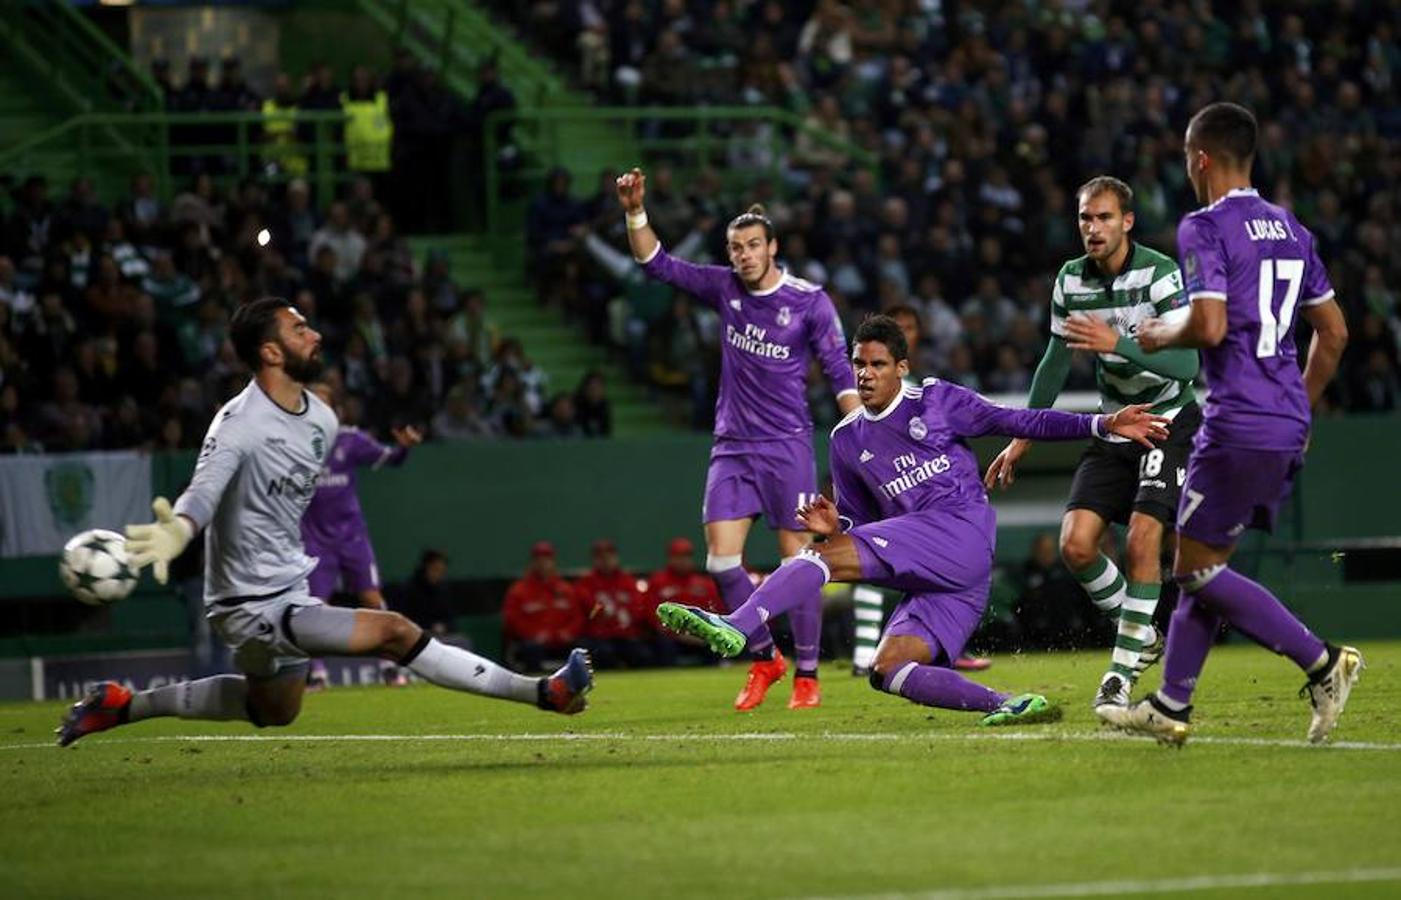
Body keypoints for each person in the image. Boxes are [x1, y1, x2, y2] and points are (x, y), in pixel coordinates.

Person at [56, 298, 592, 748]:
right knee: (394, 630)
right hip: (247, 604)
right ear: (271, 352)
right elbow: (204, 490)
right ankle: (544, 693)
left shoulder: (322, 418)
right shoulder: (236, 424)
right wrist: (179, 529)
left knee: (273, 710)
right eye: (299, 328)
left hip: (289, 586)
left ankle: (122, 706)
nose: (313, 334)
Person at [657, 315, 1169, 725]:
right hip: (942, 577)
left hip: (961, 531)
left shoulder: (939, 401)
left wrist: (1102, 423)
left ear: (901, 367)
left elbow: (1020, 420)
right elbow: (863, 522)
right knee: (888, 668)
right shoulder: (846, 440)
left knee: (817, 558)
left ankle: (738, 624)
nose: (865, 373)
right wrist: (837, 525)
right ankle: (1006, 703)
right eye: (858, 364)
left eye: (877, 364)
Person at [1102, 102, 1359, 746]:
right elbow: (1333, 333)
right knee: (1203, 557)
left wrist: (1160, 332)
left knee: (1192, 569)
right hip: (1282, 421)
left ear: (1202, 159)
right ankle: (1171, 705)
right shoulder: (1293, 229)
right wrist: (1299, 405)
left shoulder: (1204, 227)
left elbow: (1210, 324)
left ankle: (1322, 661)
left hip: (1236, 419)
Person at [618, 167, 861, 711]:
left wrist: (860, 429)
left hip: (787, 447)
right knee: (721, 563)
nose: (744, 256)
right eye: (735, 248)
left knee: (799, 562)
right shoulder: (723, 287)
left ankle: (807, 673)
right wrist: (636, 210)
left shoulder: (809, 302)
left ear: (773, 247)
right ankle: (764, 658)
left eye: (753, 245)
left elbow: (840, 372)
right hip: (731, 446)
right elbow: (655, 263)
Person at [983, 175, 1201, 716]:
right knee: (1077, 545)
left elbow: (1188, 363)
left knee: (1142, 541)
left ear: (1127, 221)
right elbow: (1055, 363)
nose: (1093, 228)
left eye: (1104, 217)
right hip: (1115, 425)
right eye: (1085, 218)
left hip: (1167, 421)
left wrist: (1117, 343)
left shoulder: (1160, 274)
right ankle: (1143, 634)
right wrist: (1021, 437)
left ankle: (1119, 677)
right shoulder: (1070, 280)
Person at [300, 380, 422, 689]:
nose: (321, 407)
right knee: (313, 605)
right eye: (314, 401)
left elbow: (391, 458)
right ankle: (317, 673)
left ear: (335, 409)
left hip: (352, 536)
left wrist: (404, 448)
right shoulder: (294, 445)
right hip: (314, 539)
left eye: (325, 401)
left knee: (371, 597)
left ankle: (389, 666)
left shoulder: (350, 440)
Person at [502, 541, 585, 673]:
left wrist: (567, 633)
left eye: (546, 559)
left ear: (553, 561)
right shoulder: (519, 590)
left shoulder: (565, 589)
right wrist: (533, 634)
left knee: (582, 649)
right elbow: (512, 620)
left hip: (560, 641)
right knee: (531, 649)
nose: (543, 564)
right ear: (532, 562)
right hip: (533, 643)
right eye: (538, 560)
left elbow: (577, 617)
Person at [573, 538, 655, 669]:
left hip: (626, 636)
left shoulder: (628, 582)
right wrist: (603, 611)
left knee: (642, 654)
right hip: (599, 637)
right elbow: (591, 612)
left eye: (609, 556)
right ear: (594, 559)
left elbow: (637, 610)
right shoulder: (585, 584)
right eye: (601, 557)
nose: (605, 561)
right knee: (603, 653)